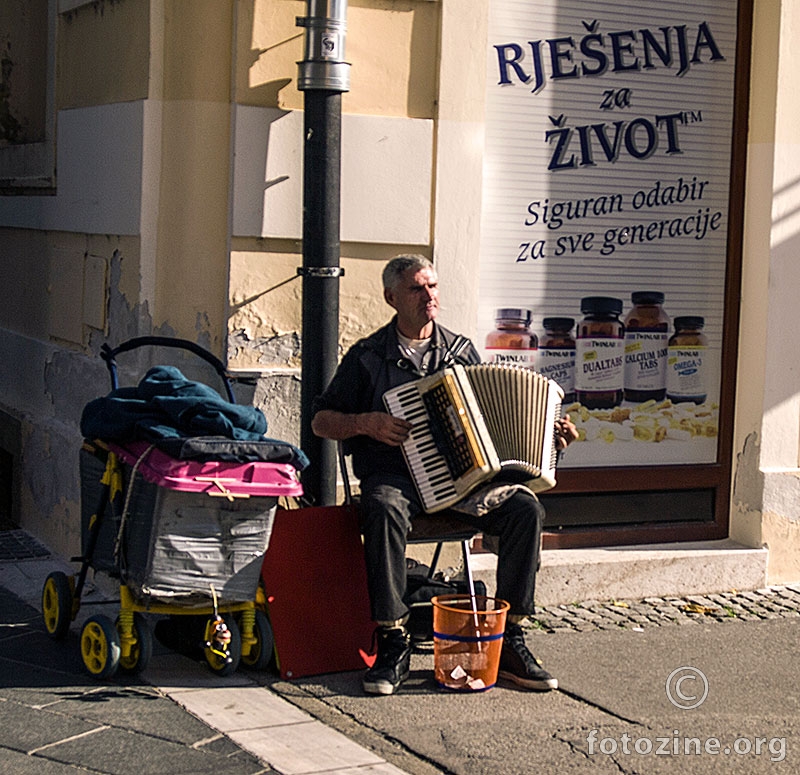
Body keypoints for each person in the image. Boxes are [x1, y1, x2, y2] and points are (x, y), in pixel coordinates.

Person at [311, 254, 578, 695]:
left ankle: (510, 635)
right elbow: (321, 421)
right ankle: (393, 639)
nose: (429, 295)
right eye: (418, 288)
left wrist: (550, 440)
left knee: (525, 508)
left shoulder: (460, 352)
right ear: (391, 297)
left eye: (433, 286)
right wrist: (366, 423)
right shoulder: (366, 357)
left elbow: (493, 427)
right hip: (395, 478)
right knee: (380, 507)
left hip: (461, 484)